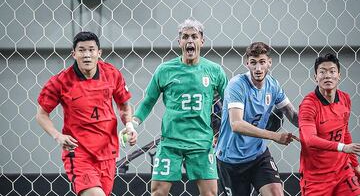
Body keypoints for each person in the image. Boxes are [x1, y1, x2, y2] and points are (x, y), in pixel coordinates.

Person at [132, 19, 228, 196]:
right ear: (179, 42)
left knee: (210, 193)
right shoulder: (165, 70)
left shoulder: (214, 71)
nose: (190, 40)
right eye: (185, 37)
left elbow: (229, 105)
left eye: (194, 36)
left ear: (202, 41)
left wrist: (223, 135)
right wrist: (133, 124)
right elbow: (148, 101)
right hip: (171, 142)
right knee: (158, 192)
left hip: (201, 142)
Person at [36, 31, 138, 196]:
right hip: (78, 154)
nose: (87, 55)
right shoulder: (60, 82)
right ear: (74, 54)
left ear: (99, 53)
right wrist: (57, 136)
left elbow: (124, 106)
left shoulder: (112, 74)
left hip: (107, 153)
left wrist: (129, 125)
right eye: (82, 50)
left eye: (91, 50)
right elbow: (41, 115)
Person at [216, 42, 299, 196]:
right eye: (253, 63)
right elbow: (236, 124)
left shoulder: (273, 86)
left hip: (258, 155)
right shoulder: (237, 85)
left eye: (262, 62)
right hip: (231, 159)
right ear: (247, 63)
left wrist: (317, 125)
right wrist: (274, 136)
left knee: (276, 193)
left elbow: (293, 115)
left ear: (269, 62)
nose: (258, 68)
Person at [299, 53, 360, 196]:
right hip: (316, 178)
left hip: (343, 172)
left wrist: (356, 165)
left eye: (332, 71)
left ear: (339, 75)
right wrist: (342, 147)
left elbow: (344, 132)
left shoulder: (345, 98)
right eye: (322, 72)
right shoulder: (309, 105)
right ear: (315, 77)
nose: (327, 76)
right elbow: (309, 140)